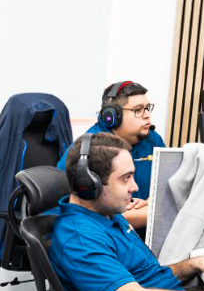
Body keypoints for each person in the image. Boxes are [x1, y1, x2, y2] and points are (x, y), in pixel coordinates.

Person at [49, 132, 204, 291]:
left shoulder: (108, 215)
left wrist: (193, 264)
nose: (135, 187)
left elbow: (147, 276)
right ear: (88, 185)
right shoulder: (81, 239)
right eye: (125, 178)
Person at [57, 81, 166, 231]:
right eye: (138, 110)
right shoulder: (91, 149)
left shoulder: (152, 139)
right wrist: (158, 213)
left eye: (147, 108)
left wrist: (151, 201)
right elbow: (84, 214)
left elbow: (166, 183)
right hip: (109, 234)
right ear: (112, 116)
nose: (147, 115)